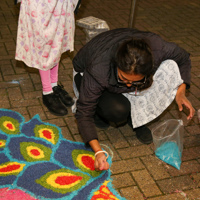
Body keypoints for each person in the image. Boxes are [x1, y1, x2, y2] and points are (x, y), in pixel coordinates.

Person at [72, 28, 195, 171]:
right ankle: (100, 114)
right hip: (84, 73)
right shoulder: (99, 68)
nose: (129, 85)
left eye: (135, 81)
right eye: (124, 78)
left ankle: (136, 120)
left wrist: (181, 91)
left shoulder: (158, 48)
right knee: (117, 111)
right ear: (117, 65)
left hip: (117, 73)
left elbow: (184, 58)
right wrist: (98, 152)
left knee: (170, 67)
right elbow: (84, 112)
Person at [15, 0, 81, 116]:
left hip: (60, 4)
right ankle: (47, 92)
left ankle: (54, 85)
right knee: (44, 46)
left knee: (57, 43)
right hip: (39, 5)